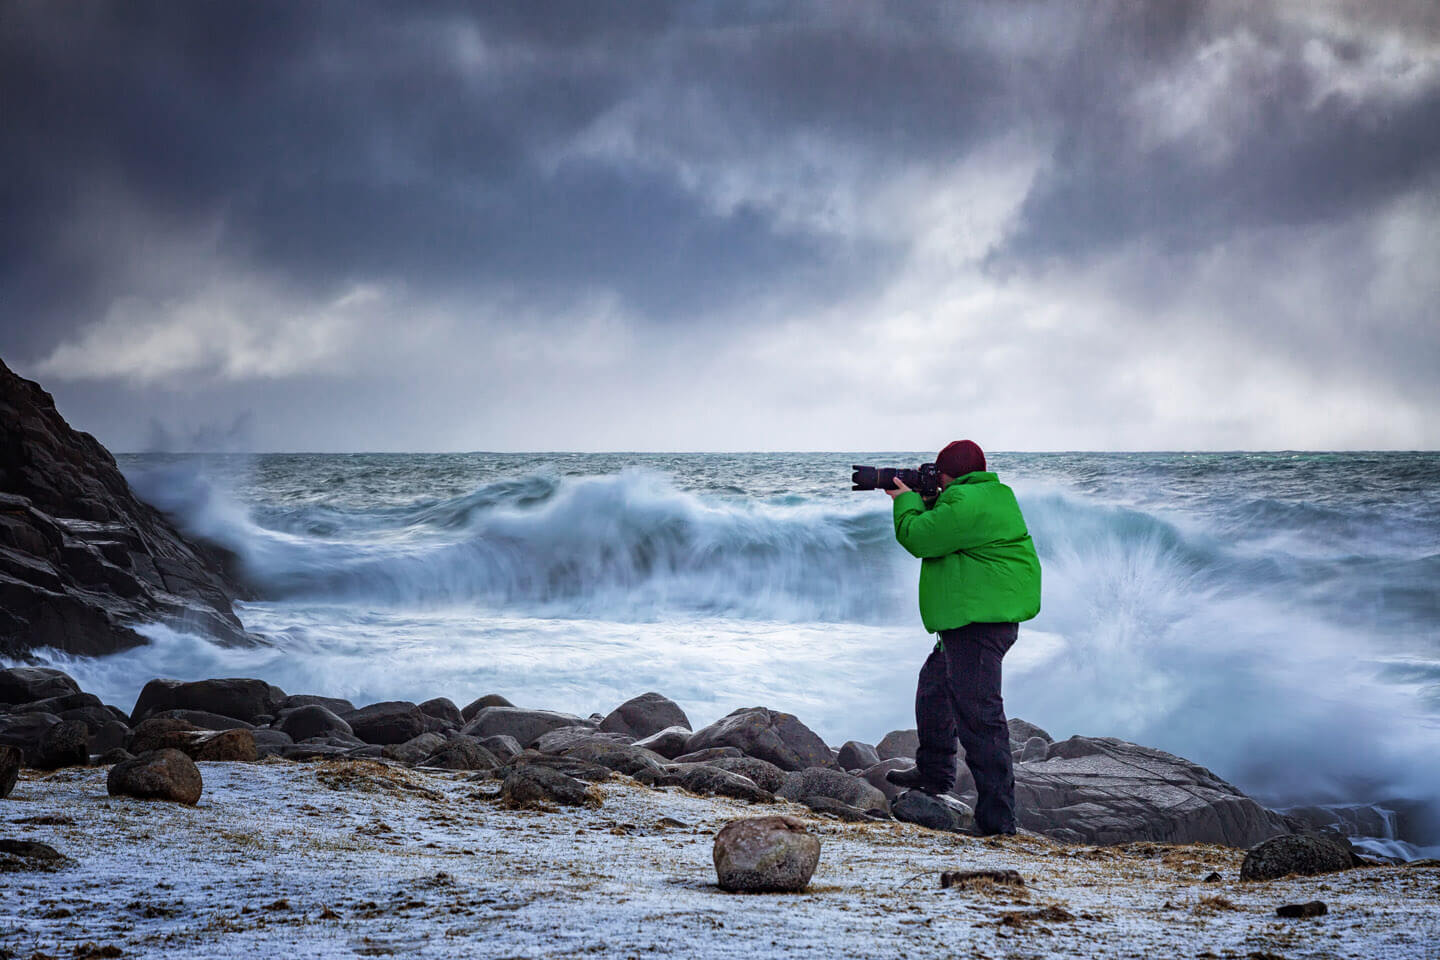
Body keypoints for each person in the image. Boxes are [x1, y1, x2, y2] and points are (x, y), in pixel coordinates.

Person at [881, 439, 1041, 836]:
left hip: (980, 622)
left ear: (948, 475)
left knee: (980, 719)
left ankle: (998, 820)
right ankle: (934, 773)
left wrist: (905, 500)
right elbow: (950, 531)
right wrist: (928, 498)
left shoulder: (969, 502)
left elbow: (921, 537)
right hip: (972, 617)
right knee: (934, 688)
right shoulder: (984, 496)